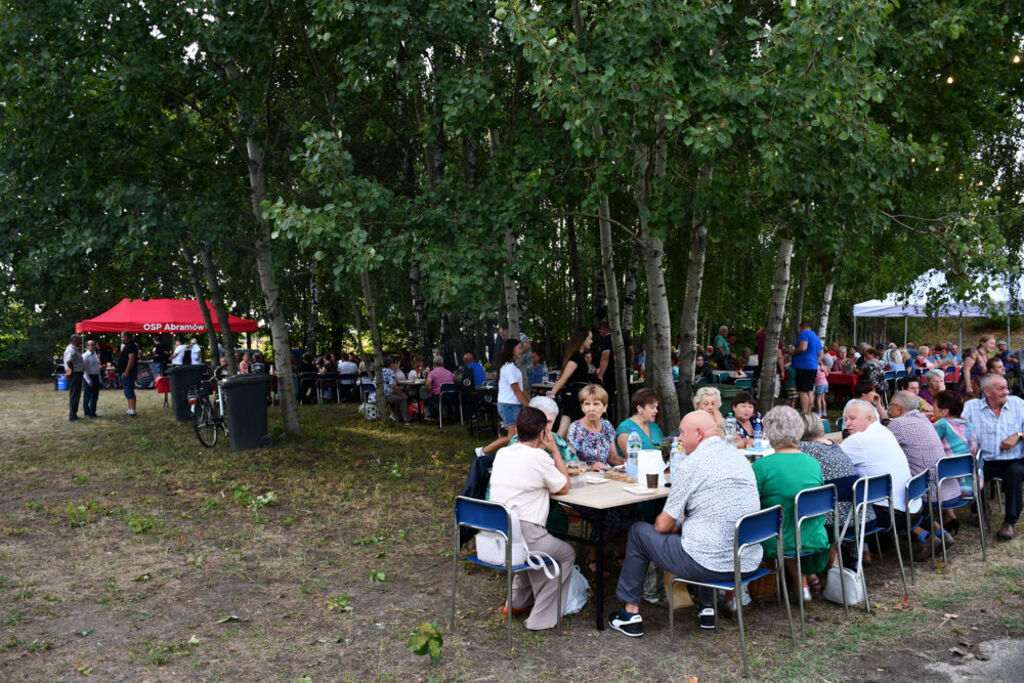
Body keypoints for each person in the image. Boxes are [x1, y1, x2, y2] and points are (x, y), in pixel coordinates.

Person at [608, 411, 762, 636]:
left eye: (681, 432)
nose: (679, 439)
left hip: (708, 565)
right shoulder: (739, 458)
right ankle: (708, 608)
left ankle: (630, 614)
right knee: (705, 532)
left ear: (698, 434)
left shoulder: (692, 464)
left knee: (640, 532)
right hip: (746, 561)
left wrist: (677, 523)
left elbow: (662, 525)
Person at [488, 407, 574, 630]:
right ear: (543, 433)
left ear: (517, 430)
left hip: (497, 531)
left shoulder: (503, 452)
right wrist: (554, 450)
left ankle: (518, 600)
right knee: (566, 554)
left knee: (532, 550)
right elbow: (564, 486)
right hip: (526, 534)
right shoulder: (538, 457)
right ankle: (542, 618)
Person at [839, 399, 936, 559]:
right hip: (913, 508)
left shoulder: (859, 440)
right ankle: (870, 550)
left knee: (842, 498)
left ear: (870, 418)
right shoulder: (884, 431)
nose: (848, 423)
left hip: (893, 515)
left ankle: (852, 559)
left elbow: (828, 462)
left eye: (852, 418)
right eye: (846, 419)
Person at [753, 407, 830, 601]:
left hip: (780, 538)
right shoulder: (812, 462)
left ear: (769, 433)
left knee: (779, 521)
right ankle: (803, 583)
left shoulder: (761, 466)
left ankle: (800, 586)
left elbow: (750, 502)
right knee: (789, 519)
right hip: (814, 534)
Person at [799, 412, 874, 569]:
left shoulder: (806, 448)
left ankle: (816, 572)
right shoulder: (833, 445)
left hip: (841, 521)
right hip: (862, 516)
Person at [887, 391, 959, 545]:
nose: (889, 410)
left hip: (925, 491)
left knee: (894, 493)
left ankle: (924, 537)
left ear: (898, 409)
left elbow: (882, 450)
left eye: (890, 407)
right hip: (946, 485)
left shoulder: (897, 424)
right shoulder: (924, 419)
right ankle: (941, 532)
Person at [962, 373, 1024, 540]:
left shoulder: (1018, 404)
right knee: (972, 472)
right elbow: (958, 426)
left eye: (1006, 388)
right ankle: (981, 508)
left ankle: (1009, 522)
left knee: (1015, 472)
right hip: (985, 460)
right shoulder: (972, 406)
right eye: (1002, 388)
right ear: (988, 392)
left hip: (1014, 460)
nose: (1007, 392)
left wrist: (1018, 434)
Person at [547, 328, 594, 436]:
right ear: (582, 339)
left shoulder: (577, 356)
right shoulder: (576, 358)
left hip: (572, 397)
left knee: (563, 432)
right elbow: (564, 378)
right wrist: (552, 393)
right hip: (574, 398)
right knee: (570, 431)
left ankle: (554, 449)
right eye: (590, 338)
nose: (591, 341)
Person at [566, 384, 621, 471]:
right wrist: (590, 467)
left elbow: (613, 458)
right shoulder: (575, 428)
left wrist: (629, 462)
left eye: (596, 404)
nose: (591, 409)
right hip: (585, 476)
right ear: (582, 407)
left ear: (605, 407)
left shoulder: (607, 425)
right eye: (587, 404)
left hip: (605, 474)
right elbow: (570, 461)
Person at [615, 388, 664, 460]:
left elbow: (664, 450)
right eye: (652, 407)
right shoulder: (625, 428)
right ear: (639, 408)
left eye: (656, 407)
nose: (656, 411)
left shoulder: (654, 426)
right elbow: (632, 459)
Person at [496, 338, 531, 439]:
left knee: (516, 436)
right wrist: (528, 406)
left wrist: (531, 402)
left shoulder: (512, 367)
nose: (521, 350)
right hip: (509, 405)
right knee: (513, 437)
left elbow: (521, 389)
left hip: (513, 405)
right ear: (512, 349)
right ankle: (483, 451)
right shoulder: (509, 368)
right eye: (519, 348)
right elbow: (516, 390)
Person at [791, 321, 822, 414]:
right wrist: (815, 361)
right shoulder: (816, 337)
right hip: (813, 366)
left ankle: (804, 412)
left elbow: (803, 347)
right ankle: (809, 412)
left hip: (803, 366)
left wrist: (793, 352)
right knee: (809, 390)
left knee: (802, 391)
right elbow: (821, 354)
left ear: (802, 327)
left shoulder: (804, 334)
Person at [380, 356, 414, 424]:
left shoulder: (381, 371)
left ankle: (398, 417)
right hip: (387, 395)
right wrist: (403, 394)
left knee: (397, 397)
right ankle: (407, 420)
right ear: (391, 364)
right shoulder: (390, 372)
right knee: (402, 399)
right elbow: (394, 386)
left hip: (380, 395)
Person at [424, 355, 455, 419]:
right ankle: (449, 414)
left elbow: (427, 384)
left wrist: (430, 393)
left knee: (427, 400)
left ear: (434, 363)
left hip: (440, 396)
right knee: (446, 397)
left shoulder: (432, 373)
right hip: (452, 396)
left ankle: (433, 415)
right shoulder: (449, 373)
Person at [63, 333, 85, 422]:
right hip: (74, 374)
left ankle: (74, 414)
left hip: (77, 373)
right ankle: (72, 416)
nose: (80, 342)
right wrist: (72, 369)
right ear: (74, 341)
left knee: (76, 394)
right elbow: (68, 360)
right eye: (79, 340)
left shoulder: (74, 349)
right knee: (74, 394)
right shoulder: (71, 349)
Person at [118, 331, 139, 417]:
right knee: (127, 391)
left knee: (129, 390)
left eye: (122, 337)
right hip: (126, 371)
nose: (121, 338)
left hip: (129, 372)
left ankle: (132, 410)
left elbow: (131, 359)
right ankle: (130, 409)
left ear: (127, 337)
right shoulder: (127, 346)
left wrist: (127, 371)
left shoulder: (131, 346)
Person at [82, 339, 102, 418]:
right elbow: (83, 369)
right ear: (87, 346)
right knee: (87, 395)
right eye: (91, 345)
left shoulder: (95, 354)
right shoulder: (85, 356)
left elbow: (96, 366)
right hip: (89, 376)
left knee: (95, 395)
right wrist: (88, 380)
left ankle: (93, 412)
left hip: (96, 376)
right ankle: (87, 413)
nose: (93, 346)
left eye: (94, 344)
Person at [814, 352, 830, 417]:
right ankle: (824, 412)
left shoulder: (815, 367)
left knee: (818, 399)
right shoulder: (823, 366)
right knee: (823, 399)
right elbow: (827, 374)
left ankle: (819, 412)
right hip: (825, 383)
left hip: (819, 384)